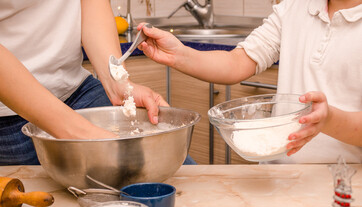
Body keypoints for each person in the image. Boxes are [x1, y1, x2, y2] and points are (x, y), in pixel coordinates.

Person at [137, 0, 362, 163]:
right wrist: (180, 55)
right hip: (276, 174)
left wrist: (329, 120)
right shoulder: (295, 7)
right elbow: (238, 61)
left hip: (341, 188)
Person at [0, 0, 169, 165]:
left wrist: (118, 83)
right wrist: (77, 131)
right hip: (8, 118)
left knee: (171, 171)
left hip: (77, 91)